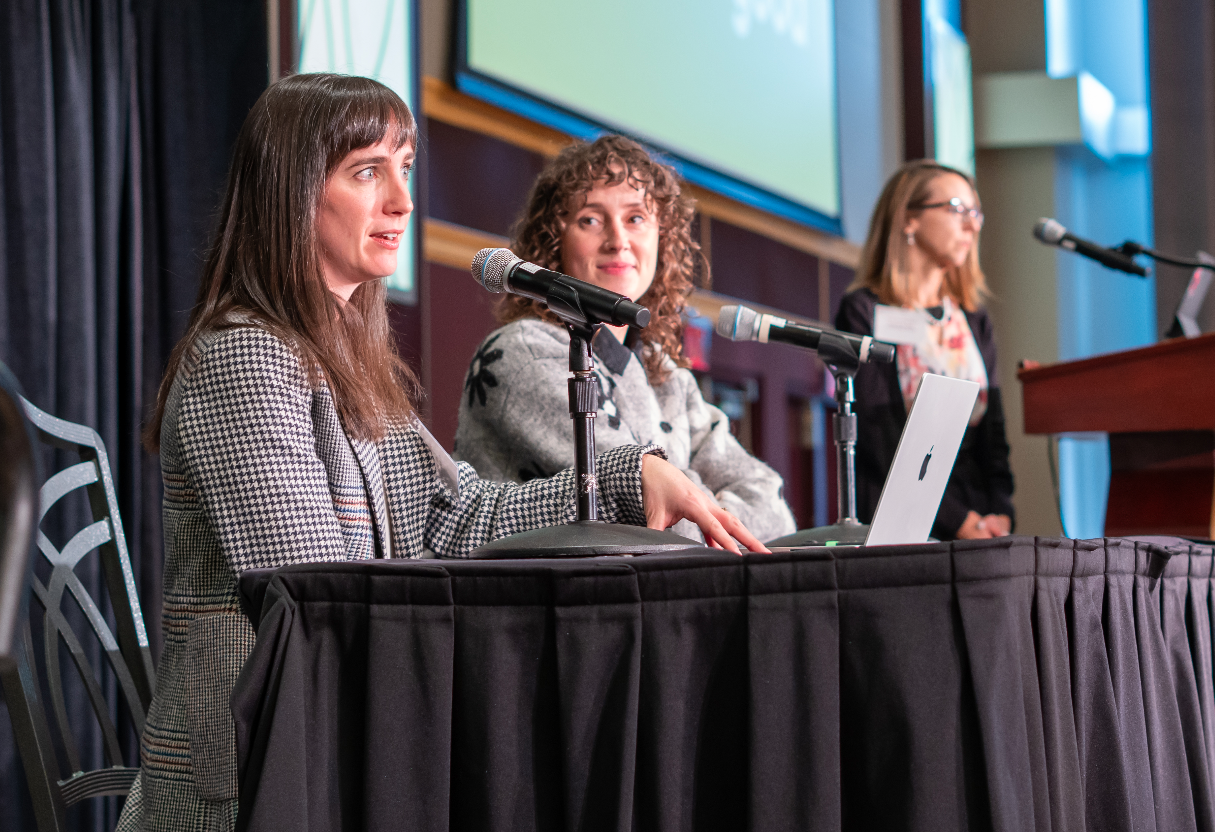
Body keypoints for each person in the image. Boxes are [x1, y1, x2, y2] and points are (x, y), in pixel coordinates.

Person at [116, 75, 765, 832]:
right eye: (368, 172)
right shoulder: (247, 356)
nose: (401, 199)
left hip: (329, 746)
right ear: (290, 195)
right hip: (253, 782)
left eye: (406, 169)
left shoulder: (343, 357)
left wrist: (628, 478)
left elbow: (456, 516)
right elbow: (318, 600)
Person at [455, 135, 797, 543]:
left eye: (635, 218)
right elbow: (657, 512)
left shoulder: (664, 372)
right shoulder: (523, 354)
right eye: (591, 220)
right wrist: (716, 506)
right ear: (553, 242)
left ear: (662, 237)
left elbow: (774, 510)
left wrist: (705, 508)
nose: (618, 240)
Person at [835, 159, 1015, 541]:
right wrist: (956, 520)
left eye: (975, 212)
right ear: (909, 218)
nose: (972, 224)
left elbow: (993, 431)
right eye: (956, 209)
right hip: (905, 517)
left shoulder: (972, 318)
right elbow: (877, 433)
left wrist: (1001, 509)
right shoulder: (864, 312)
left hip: (982, 518)